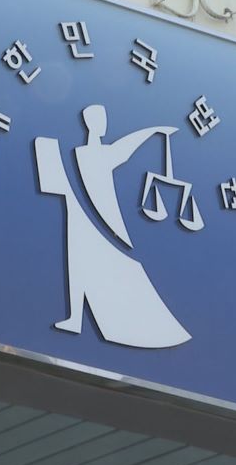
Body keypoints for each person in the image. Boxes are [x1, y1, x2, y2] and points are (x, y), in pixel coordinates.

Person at [34, 104, 191, 349]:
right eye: (99, 119)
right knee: (78, 266)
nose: (103, 123)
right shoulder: (92, 154)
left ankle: (79, 319)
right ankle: (75, 318)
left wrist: (152, 132)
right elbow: (125, 149)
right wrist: (151, 131)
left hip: (91, 217)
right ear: (89, 123)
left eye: (103, 118)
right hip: (93, 219)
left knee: (84, 266)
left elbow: (123, 150)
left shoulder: (87, 153)